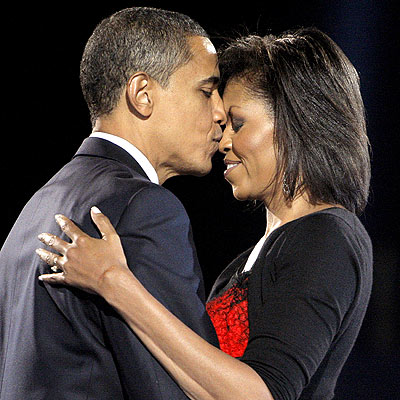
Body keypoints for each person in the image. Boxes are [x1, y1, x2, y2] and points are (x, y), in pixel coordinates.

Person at [37, 27, 373, 400]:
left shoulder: (328, 237)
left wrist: (115, 283)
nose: (223, 140)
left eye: (238, 123)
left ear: (298, 122)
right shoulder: (242, 265)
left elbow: (262, 394)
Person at [0, 7, 226, 399]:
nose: (221, 113)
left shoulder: (35, 208)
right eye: (206, 92)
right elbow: (184, 387)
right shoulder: (145, 209)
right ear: (142, 95)